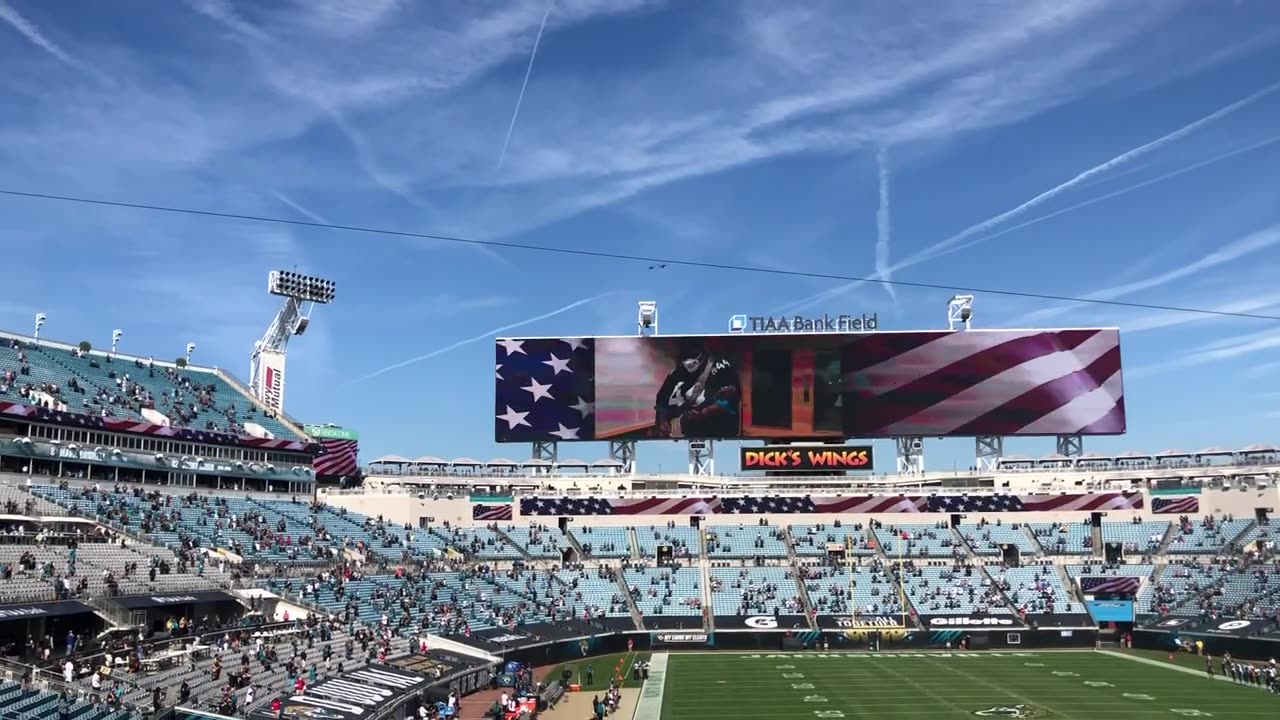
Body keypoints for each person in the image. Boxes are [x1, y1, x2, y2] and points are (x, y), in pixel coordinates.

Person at [653, 337, 741, 438]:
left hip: (718, 433)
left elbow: (729, 401)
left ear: (703, 350)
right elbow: (661, 400)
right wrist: (662, 420)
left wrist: (705, 412)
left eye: (693, 353)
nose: (688, 361)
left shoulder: (722, 367)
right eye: (685, 355)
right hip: (685, 434)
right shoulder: (676, 375)